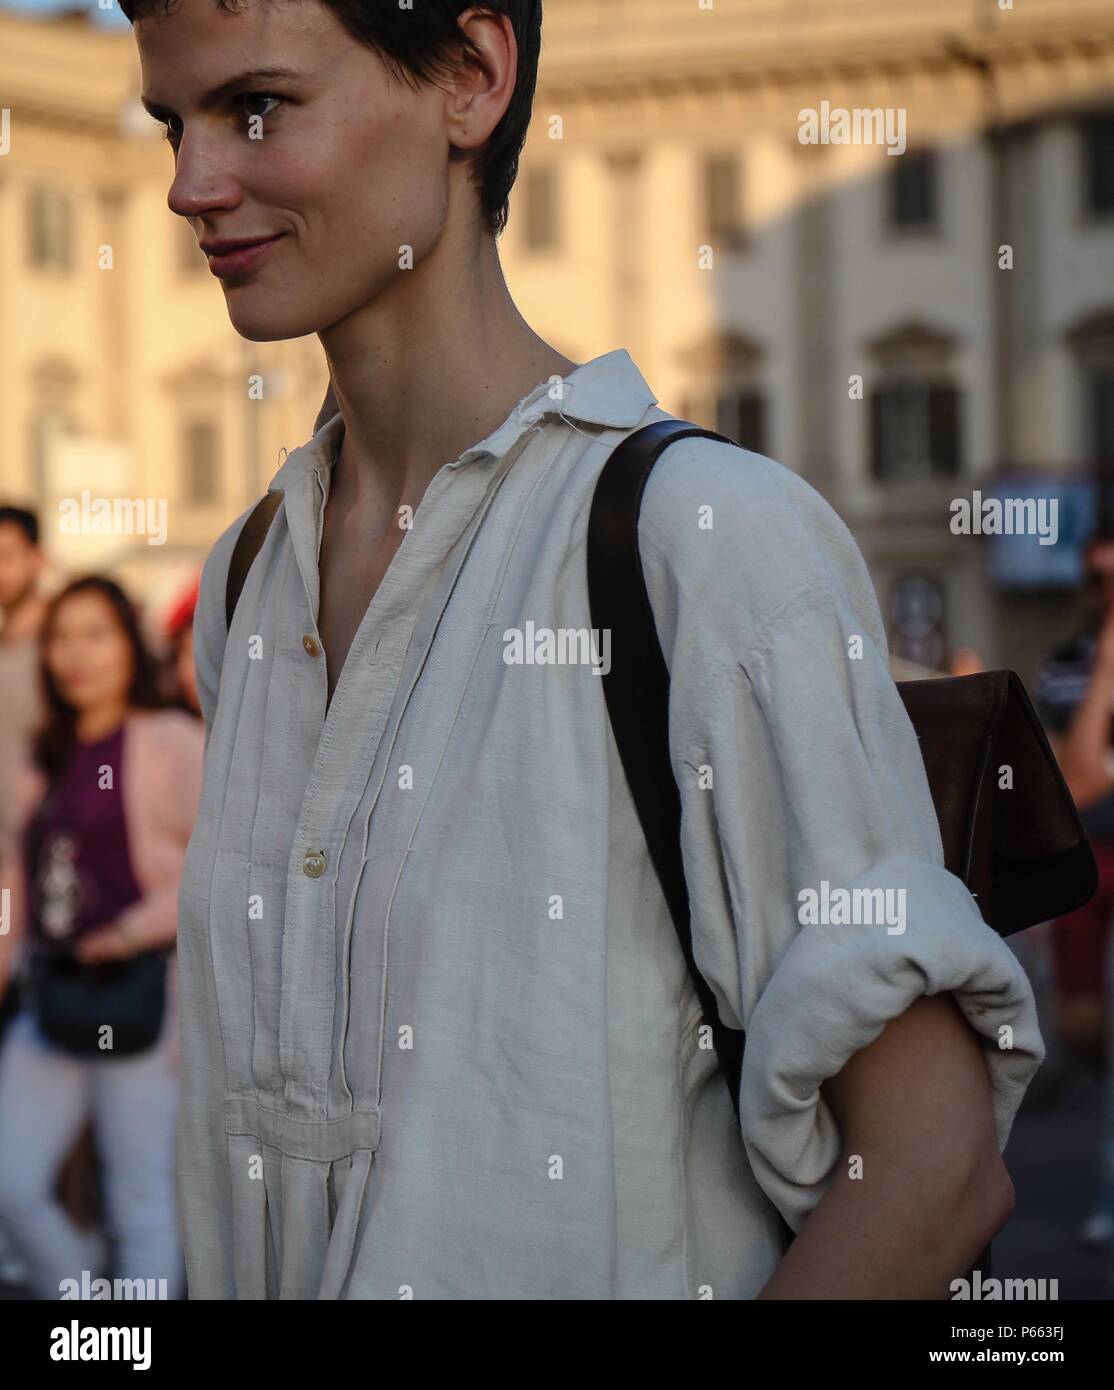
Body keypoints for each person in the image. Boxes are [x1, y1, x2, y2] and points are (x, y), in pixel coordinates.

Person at [122, 0, 1043, 1299]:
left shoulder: (707, 541)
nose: (189, 185)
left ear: (472, 77)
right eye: (173, 122)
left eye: (256, 108)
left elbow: (930, 1163)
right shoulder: (250, 572)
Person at [0, 576, 204, 1298]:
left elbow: (217, 866)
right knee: (13, 1183)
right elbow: (16, 884)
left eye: (96, 634)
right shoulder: (44, 753)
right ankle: (84, 1307)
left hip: (143, 995)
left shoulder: (171, 740)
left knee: (140, 1200)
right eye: (61, 637)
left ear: (129, 643)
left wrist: (124, 933)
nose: (75, 654)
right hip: (51, 997)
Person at [1035, 522, 1114, 1249]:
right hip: (1093, 853)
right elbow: (1079, 776)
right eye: (1098, 580)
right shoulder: (1065, 664)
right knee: (1086, 1024)